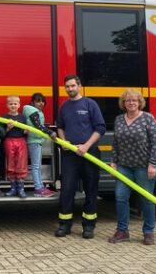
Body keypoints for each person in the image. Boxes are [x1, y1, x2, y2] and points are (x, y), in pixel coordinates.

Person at [55, 74, 106, 239]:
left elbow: (100, 128)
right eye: (67, 87)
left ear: (79, 86)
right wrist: (64, 142)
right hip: (70, 154)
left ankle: (88, 226)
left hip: (89, 153)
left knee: (90, 189)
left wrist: (86, 146)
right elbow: (60, 127)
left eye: (72, 86)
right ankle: (64, 224)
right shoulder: (64, 107)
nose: (70, 89)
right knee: (67, 189)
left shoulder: (90, 104)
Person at [108, 89, 156, 245]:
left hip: (143, 167)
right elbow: (116, 143)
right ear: (123, 103)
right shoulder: (119, 119)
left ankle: (148, 232)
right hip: (124, 166)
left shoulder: (148, 118)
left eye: (134, 100)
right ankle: (122, 231)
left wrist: (152, 165)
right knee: (120, 197)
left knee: (146, 199)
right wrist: (114, 161)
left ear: (139, 103)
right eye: (127, 100)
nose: (131, 103)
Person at [22, 93, 56, 197]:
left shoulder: (35, 112)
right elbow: (38, 126)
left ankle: (41, 187)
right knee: (36, 166)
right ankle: (38, 189)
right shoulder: (33, 112)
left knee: (38, 166)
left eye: (42, 101)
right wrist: (51, 132)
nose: (41, 103)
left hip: (37, 141)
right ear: (32, 102)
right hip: (34, 141)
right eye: (38, 101)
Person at [1, 95, 28, 198]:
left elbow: (24, 131)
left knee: (21, 164)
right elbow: (1, 133)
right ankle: (13, 188)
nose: (13, 105)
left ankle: (21, 189)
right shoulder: (4, 117)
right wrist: (7, 128)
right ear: (7, 105)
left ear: (19, 105)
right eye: (11, 104)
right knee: (11, 163)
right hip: (9, 141)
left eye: (15, 103)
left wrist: (26, 131)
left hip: (21, 141)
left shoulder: (22, 117)